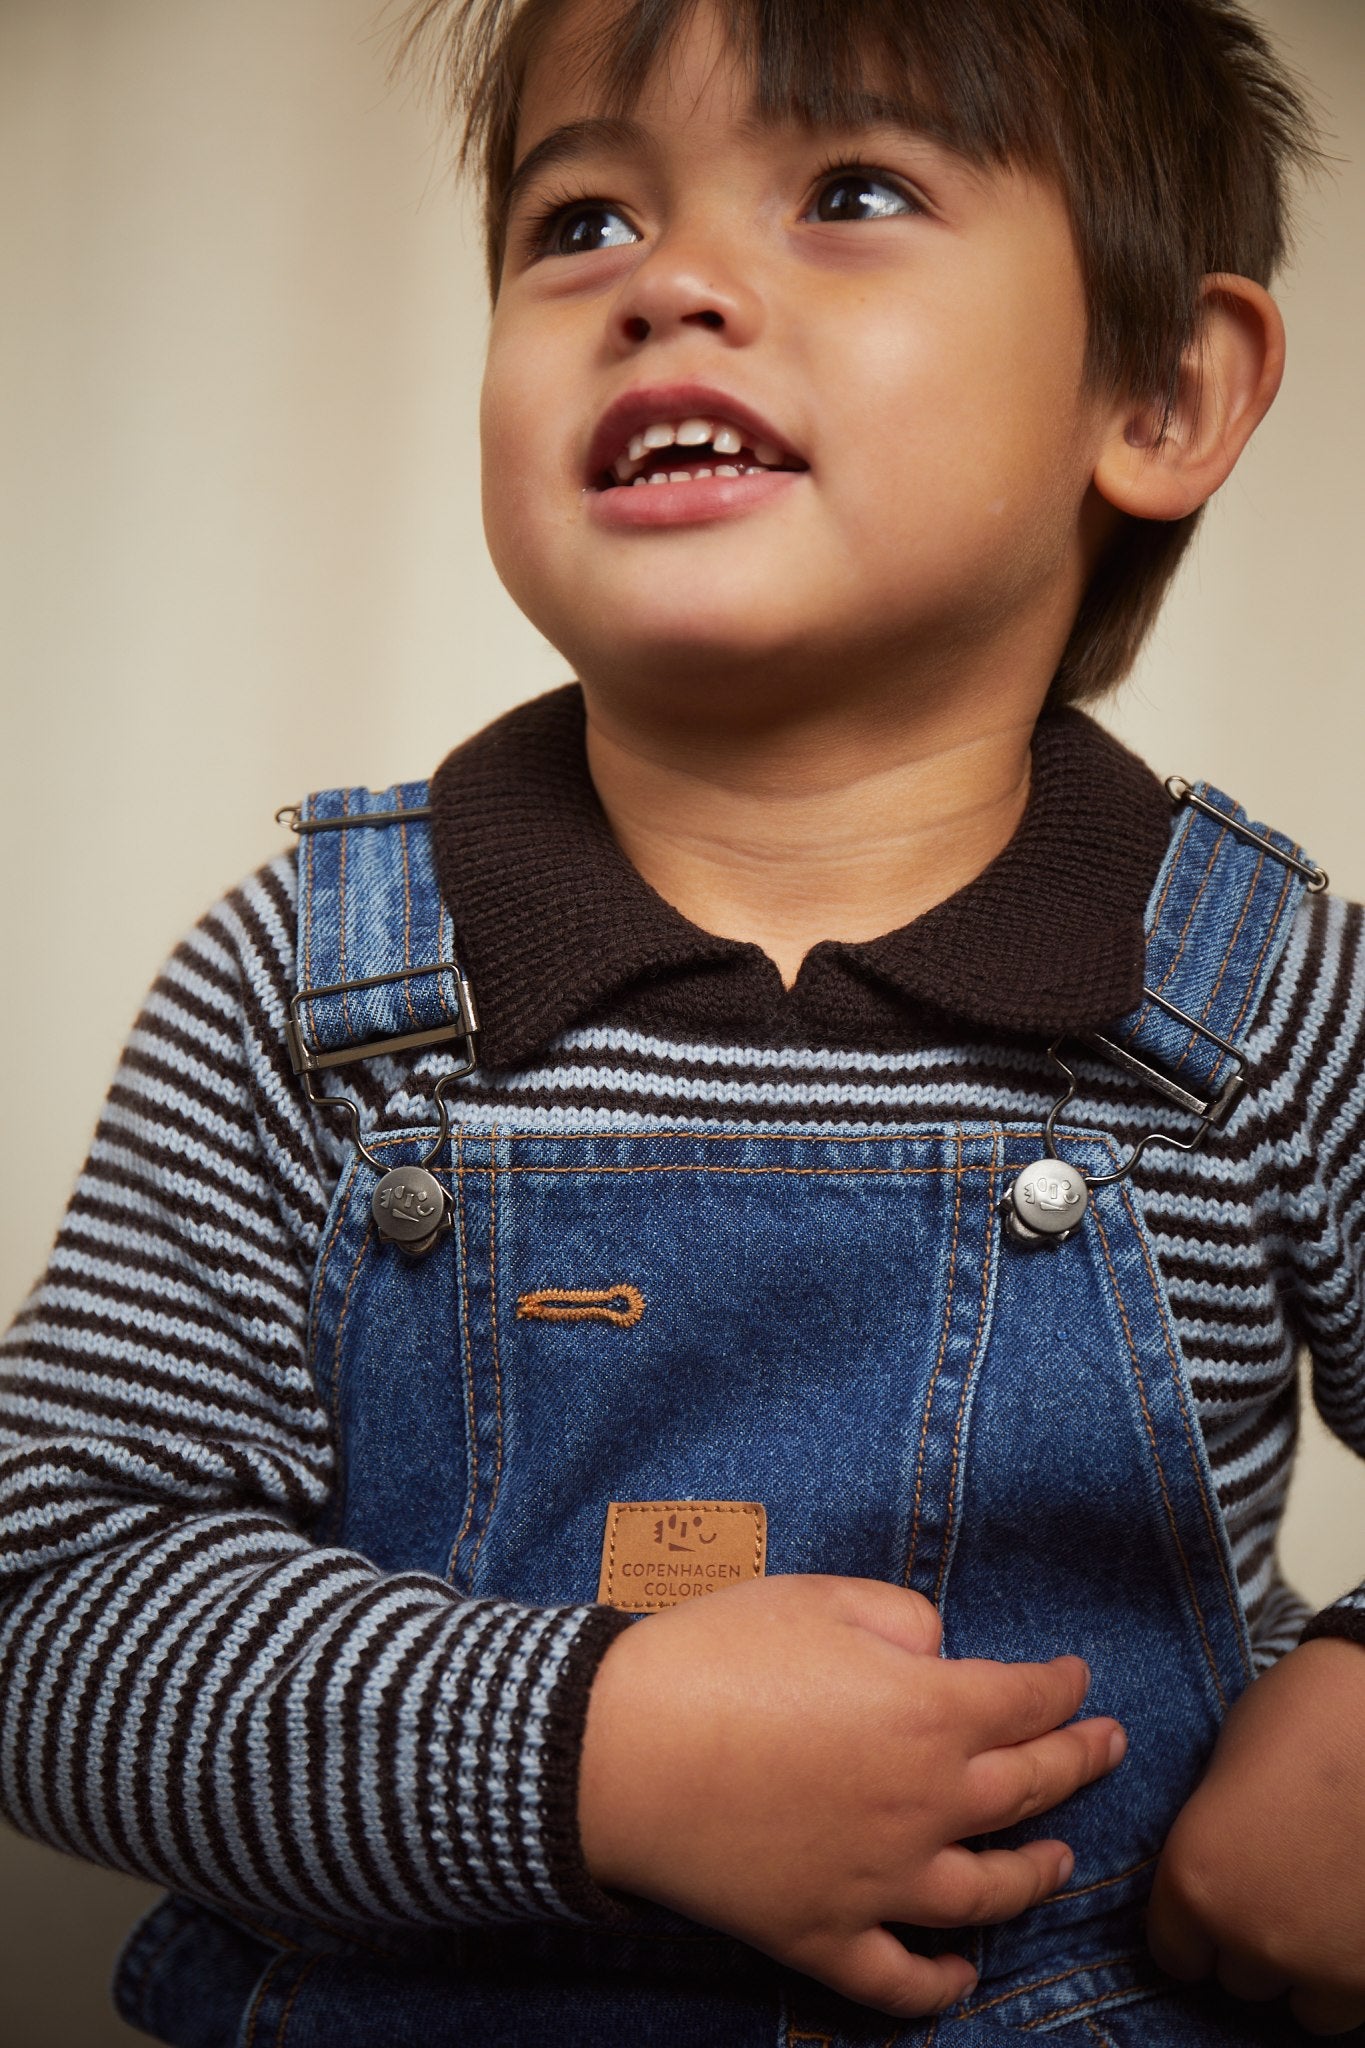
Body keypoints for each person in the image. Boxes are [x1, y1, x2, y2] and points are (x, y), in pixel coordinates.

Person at [2, 0, 1362, 2042]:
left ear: (1161, 389)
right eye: (578, 223)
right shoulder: (315, 992)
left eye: (852, 190)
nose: (669, 286)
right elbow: (50, 1598)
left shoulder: (1250, 1002)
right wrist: (579, 1747)